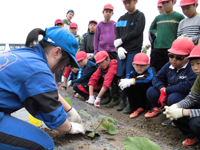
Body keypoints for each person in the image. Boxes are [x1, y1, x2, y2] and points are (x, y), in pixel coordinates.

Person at [0, 27, 85, 150]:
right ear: (56, 52)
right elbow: (56, 120)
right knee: (44, 144)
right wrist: (71, 127)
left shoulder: (26, 54)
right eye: (65, 63)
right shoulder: (37, 69)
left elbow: (45, 88)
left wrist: (70, 110)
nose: (62, 68)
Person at [145, 38, 197, 119]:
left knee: (173, 98)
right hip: (169, 91)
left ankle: (180, 117)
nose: (174, 59)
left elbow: (187, 85)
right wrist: (162, 89)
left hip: (185, 96)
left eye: (179, 57)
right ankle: (161, 109)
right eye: (171, 55)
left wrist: (167, 90)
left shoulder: (193, 67)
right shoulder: (168, 65)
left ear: (188, 57)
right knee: (151, 91)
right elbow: (157, 78)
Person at [163, 44, 200, 146]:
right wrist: (176, 107)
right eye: (192, 64)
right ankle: (194, 137)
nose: (195, 68)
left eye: (198, 63)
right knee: (174, 109)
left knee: (196, 123)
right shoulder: (199, 78)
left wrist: (184, 112)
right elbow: (191, 98)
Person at [114, 0, 145, 114]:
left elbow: (137, 31)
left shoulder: (139, 16)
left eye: (129, 2)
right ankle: (122, 99)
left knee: (130, 76)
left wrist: (122, 40)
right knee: (121, 76)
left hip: (133, 50)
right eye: (125, 3)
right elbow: (117, 35)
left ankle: (130, 101)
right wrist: (118, 47)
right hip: (122, 52)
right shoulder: (121, 19)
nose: (127, 5)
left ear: (135, 1)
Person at [150, 0, 185, 73]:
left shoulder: (179, 16)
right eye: (163, 3)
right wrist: (156, 33)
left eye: (167, 2)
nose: (165, 5)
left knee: (171, 71)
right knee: (156, 71)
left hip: (171, 49)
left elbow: (184, 29)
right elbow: (151, 28)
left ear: (173, 2)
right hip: (157, 48)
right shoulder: (158, 18)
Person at [118, 53, 156, 118]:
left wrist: (133, 81)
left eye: (142, 65)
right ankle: (137, 107)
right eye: (137, 65)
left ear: (148, 65)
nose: (139, 68)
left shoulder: (150, 70)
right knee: (128, 86)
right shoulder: (132, 73)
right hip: (139, 95)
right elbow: (126, 80)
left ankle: (153, 107)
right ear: (133, 64)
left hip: (148, 95)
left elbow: (149, 78)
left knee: (150, 89)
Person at [63, 22, 82, 90]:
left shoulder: (79, 37)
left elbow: (80, 46)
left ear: (77, 29)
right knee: (67, 70)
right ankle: (65, 84)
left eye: (75, 28)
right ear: (69, 29)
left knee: (77, 70)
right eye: (72, 28)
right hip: (68, 56)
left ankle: (76, 85)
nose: (73, 30)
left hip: (77, 57)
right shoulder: (67, 37)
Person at [149, 0, 164, 66]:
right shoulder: (156, 20)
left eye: (162, 6)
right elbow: (150, 37)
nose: (161, 9)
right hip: (156, 50)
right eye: (160, 7)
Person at [54, 19, 64, 89]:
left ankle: (59, 82)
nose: (59, 26)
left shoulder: (64, 34)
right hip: (55, 52)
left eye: (60, 25)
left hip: (63, 53)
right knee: (57, 68)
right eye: (58, 25)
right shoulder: (53, 34)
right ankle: (58, 82)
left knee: (61, 68)